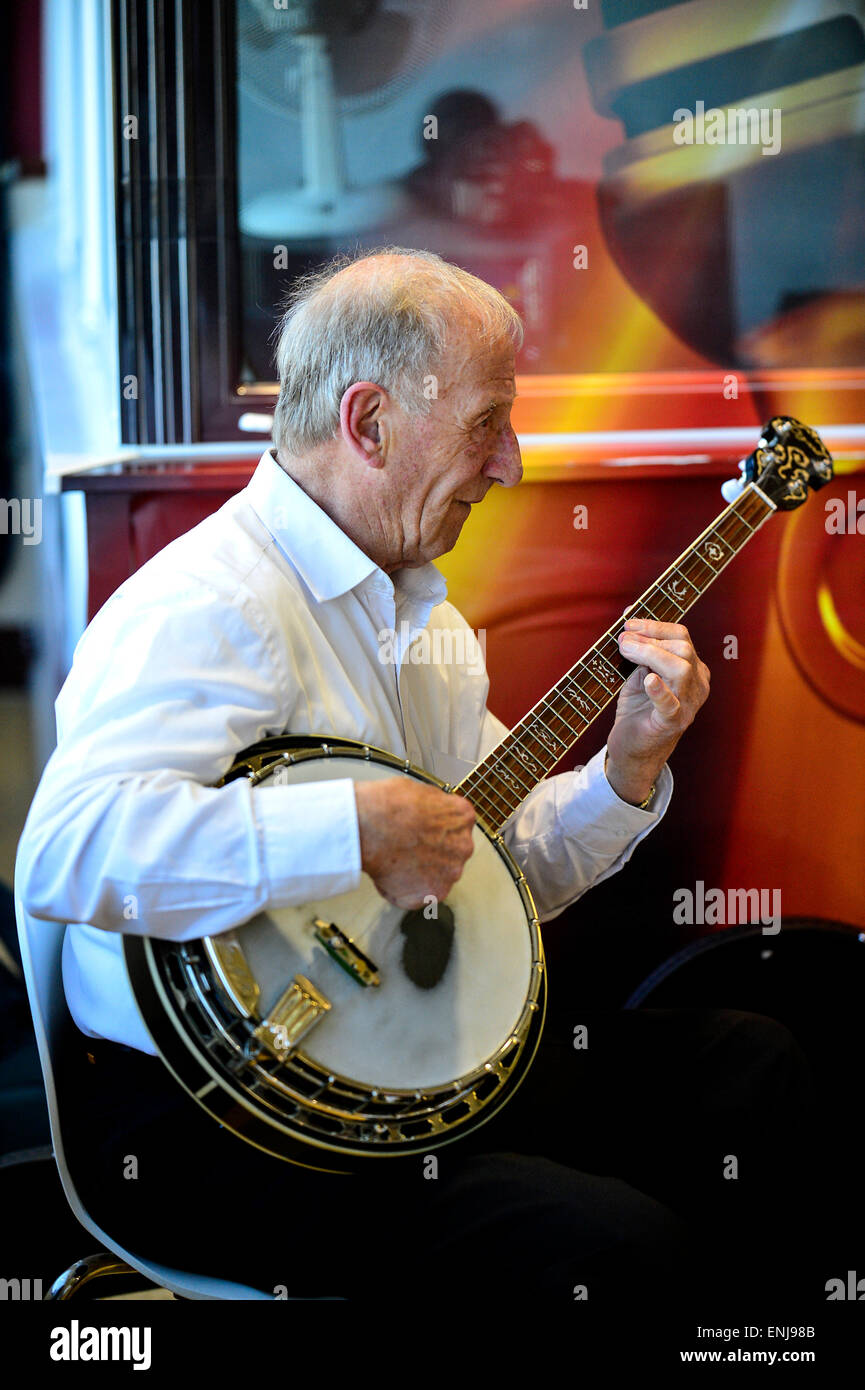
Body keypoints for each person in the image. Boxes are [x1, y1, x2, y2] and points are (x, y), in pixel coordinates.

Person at [16, 248, 813, 1306]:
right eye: (487, 424)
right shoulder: (211, 603)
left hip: (401, 1067)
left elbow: (495, 869)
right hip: (214, 1121)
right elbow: (65, 851)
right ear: (369, 422)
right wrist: (351, 830)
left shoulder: (418, 614)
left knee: (748, 1066)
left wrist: (625, 769)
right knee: (609, 1246)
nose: (509, 464)